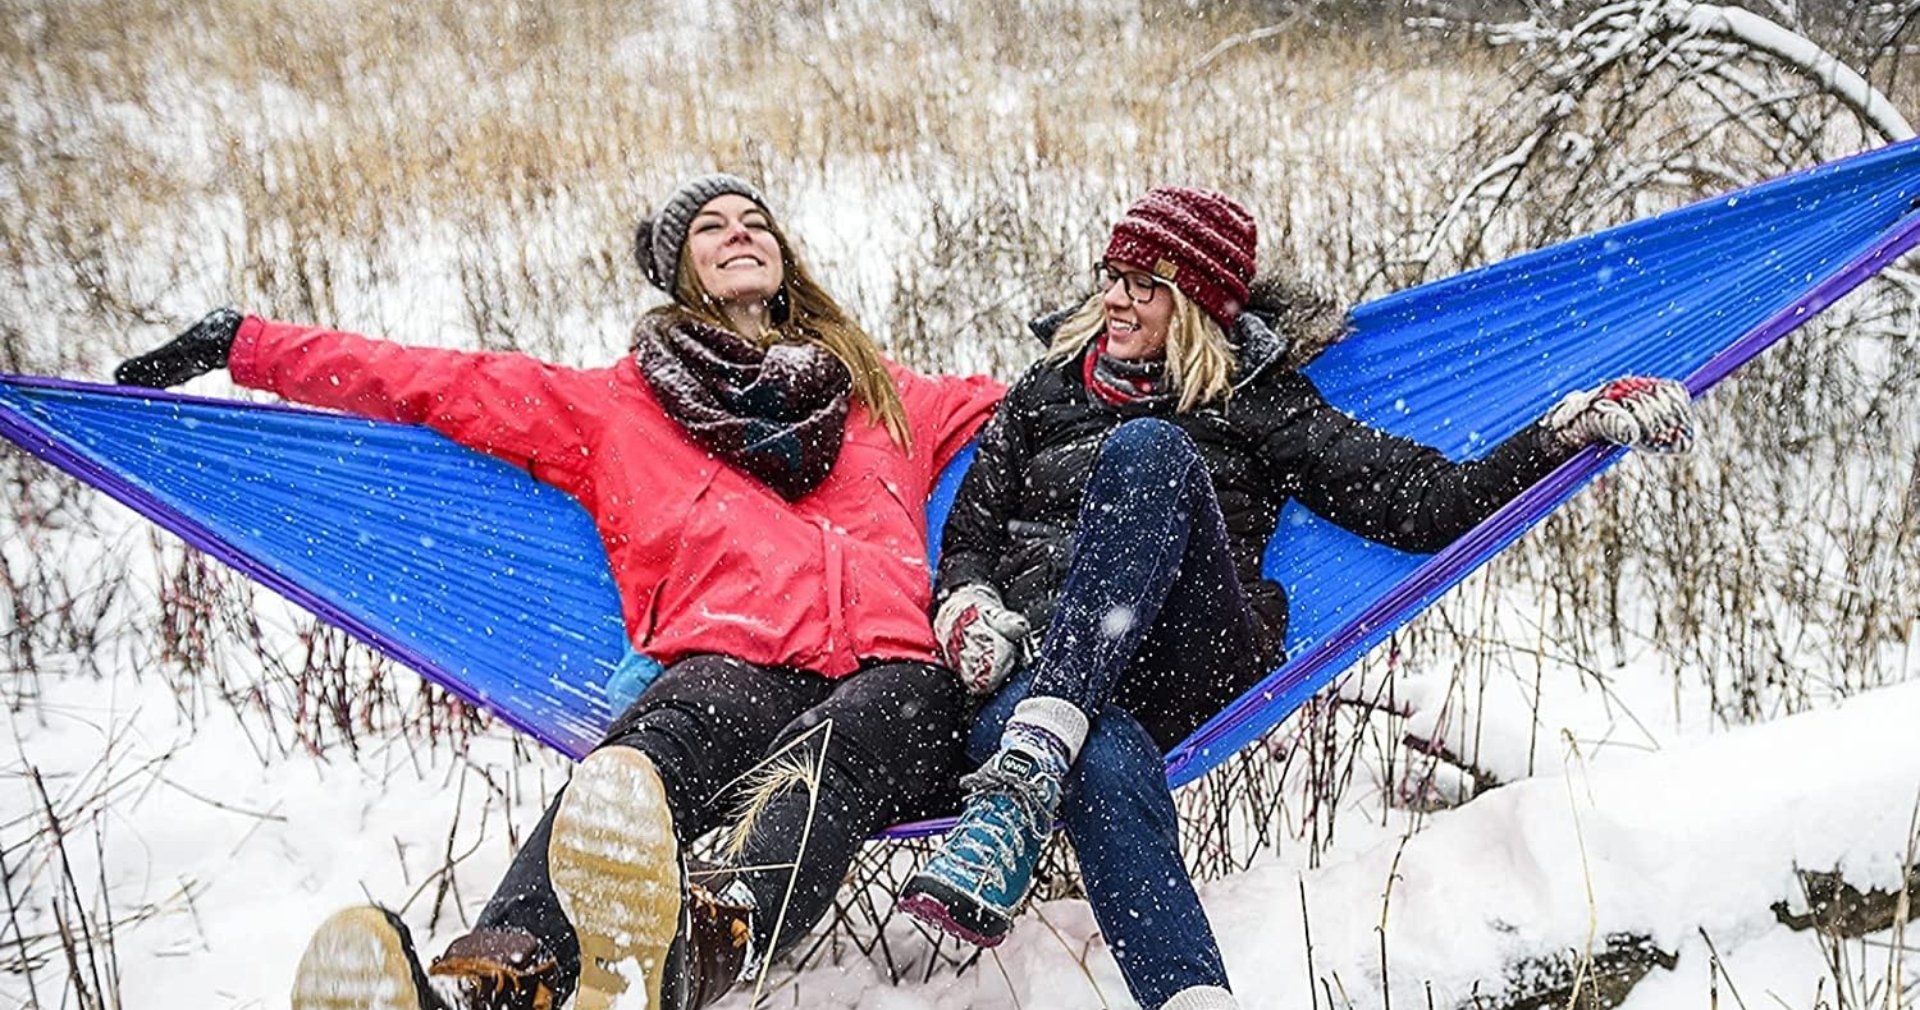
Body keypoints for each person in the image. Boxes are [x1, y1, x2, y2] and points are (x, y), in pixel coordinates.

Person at [114, 175, 1004, 1010]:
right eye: (710, 226)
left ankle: (682, 957)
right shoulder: (616, 408)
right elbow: (433, 383)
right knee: (644, 764)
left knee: (853, 735)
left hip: (897, 672)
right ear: (678, 268)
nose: (739, 232)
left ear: (783, 255)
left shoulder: (885, 397)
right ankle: (503, 978)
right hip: (734, 658)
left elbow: (1044, 405)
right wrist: (249, 344)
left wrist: (1106, 344)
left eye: (754, 220)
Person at [894, 186, 1694, 1010]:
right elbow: (969, 543)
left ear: (1196, 304)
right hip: (1043, 669)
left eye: (1145, 285)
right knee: (1095, 755)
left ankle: (1024, 778)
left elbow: (1420, 500)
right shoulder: (1044, 390)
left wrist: (1560, 432)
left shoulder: (1253, 397)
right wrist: (970, 610)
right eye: (1113, 275)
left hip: (1183, 652)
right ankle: (1191, 994)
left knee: (1150, 451)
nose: (1115, 300)